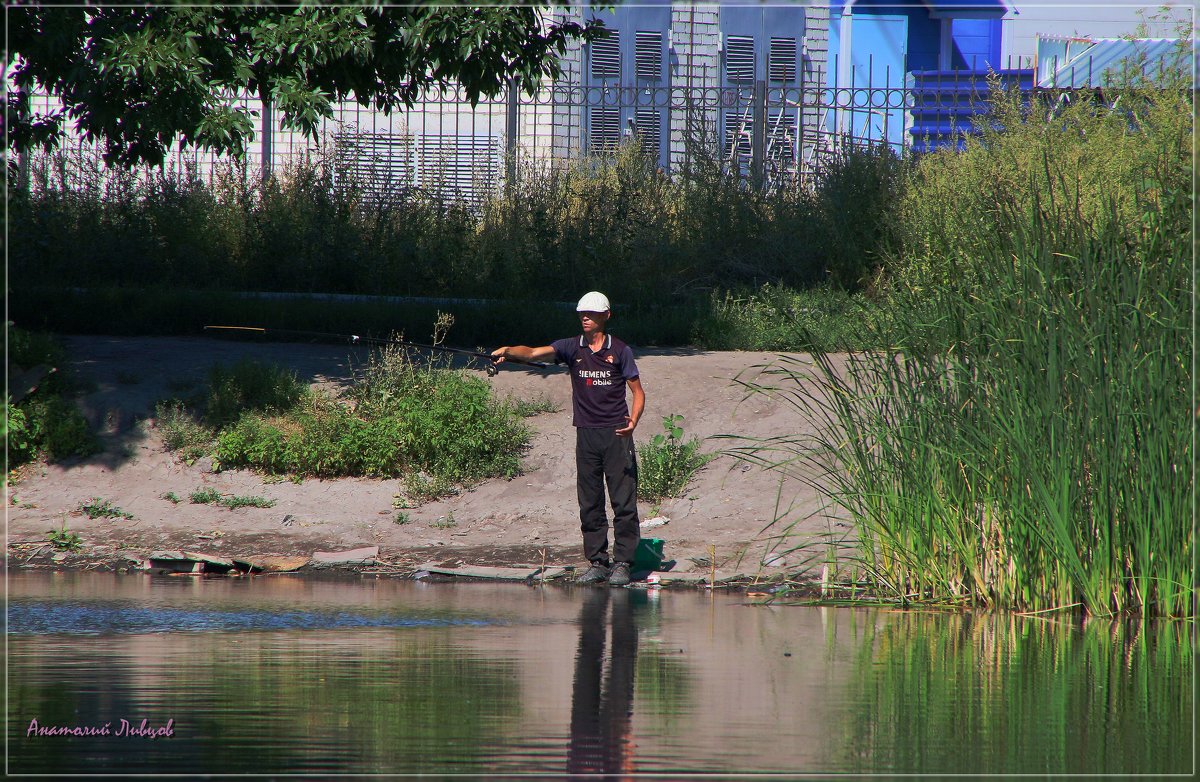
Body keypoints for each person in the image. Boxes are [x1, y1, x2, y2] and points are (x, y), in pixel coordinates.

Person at [491, 291, 645, 586]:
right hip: (585, 434)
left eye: (591, 313)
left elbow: (638, 393)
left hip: (616, 433)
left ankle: (623, 563)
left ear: (606, 316)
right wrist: (508, 351)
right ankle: (598, 562)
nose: (585, 317)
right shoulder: (570, 347)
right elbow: (534, 353)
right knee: (589, 501)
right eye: (581, 313)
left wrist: (633, 422)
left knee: (623, 502)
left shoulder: (621, 351)